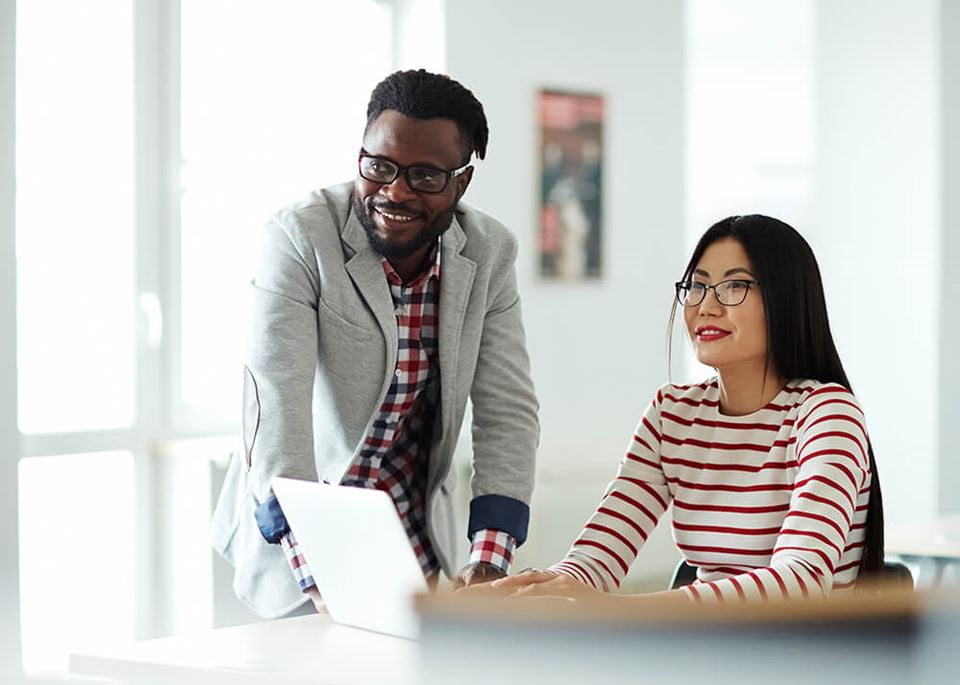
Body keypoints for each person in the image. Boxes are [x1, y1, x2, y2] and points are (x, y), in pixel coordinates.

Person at [211, 69, 540, 618]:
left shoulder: (489, 253)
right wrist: (316, 567)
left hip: (415, 541)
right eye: (379, 166)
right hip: (296, 544)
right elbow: (274, 399)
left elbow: (508, 409)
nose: (394, 191)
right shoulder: (299, 236)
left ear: (461, 184)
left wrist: (490, 556)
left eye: (424, 177)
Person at [488, 215, 883, 603]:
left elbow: (798, 583)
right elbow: (598, 558)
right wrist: (538, 588)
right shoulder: (673, 414)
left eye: (734, 286)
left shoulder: (827, 415)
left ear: (786, 297)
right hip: (703, 657)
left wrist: (618, 610)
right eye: (697, 286)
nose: (706, 307)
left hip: (803, 661)